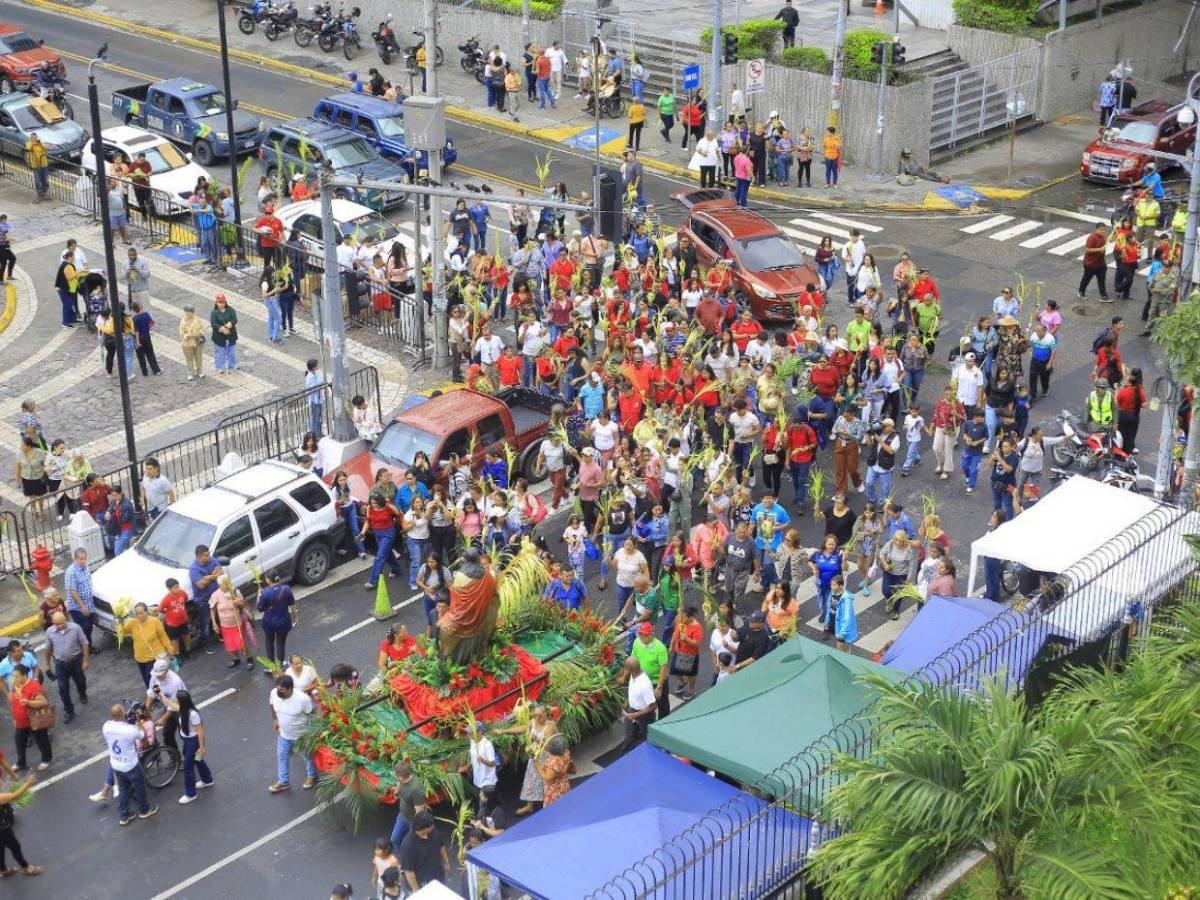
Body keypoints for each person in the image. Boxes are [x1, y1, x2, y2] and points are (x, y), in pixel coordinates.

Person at [104, 703, 158, 826]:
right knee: (139, 787)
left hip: (116, 764)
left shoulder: (106, 726)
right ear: (123, 714)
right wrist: (138, 722)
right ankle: (145, 810)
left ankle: (124, 815)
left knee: (123, 789)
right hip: (131, 765)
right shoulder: (130, 730)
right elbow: (144, 740)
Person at [268, 674, 318, 793]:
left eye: (282, 690)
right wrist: (275, 719)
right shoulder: (274, 693)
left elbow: (312, 714)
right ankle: (283, 781)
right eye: (278, 688)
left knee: (307, 757)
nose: (278, 692)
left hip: (301, 736)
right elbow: (271, 705)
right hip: (284, 734)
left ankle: (312, 775)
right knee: (282, 756)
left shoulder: (302, 699)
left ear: (290, 688)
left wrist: (312, 734)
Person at [43, 611, 87, 725]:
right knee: (63, 689)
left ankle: (82, 694)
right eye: (57, 624)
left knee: (81, 682)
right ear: (53, 623)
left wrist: (86, 660)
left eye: (62, 623)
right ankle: (69, 711)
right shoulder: (49, 632)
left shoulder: (76, 628)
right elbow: (48, 649)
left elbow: (84, 643)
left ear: (66, 619)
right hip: (60, 665)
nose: (60, 626)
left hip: (76, 662)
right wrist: (47, 665)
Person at [175, 689, 214, 805]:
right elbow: (170, 703)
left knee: (188, 767)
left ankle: (190, 794)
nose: (175, 700)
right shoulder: (182, 709)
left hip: (193, 742)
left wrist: (201, 746)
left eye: (177, 699)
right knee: (198, 760)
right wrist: (159, 694)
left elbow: (200, 731)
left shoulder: (193, 714)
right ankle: (207, 779)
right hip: (187, 741)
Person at [9, 665, 51, 772]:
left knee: (41, 740)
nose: (14, 679)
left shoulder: (34, 686)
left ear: (24, 675)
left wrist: (28, 703)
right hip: (21, 722)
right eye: (14, 676)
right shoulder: (15, 684)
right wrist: (15, 718)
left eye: (17, 676)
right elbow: (14, 702)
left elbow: (43, 702)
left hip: (34, 721)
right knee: (19, 741)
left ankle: (46, 759)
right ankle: (21, 762)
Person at [399, 809, 450, 892]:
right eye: (430, 826)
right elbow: (408, 871)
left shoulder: (432, 832)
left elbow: (441, 845)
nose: (433, 827)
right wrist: (416, 890)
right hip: (423, 883)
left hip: (438, 875)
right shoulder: (408, 845)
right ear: (423, 828)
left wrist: (446, 862)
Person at [0, 770, 40, 877]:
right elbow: (14, 796)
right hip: (3, 830)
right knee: (15, 846)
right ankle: (26, 867)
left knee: (1, 848)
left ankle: (2, 870)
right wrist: (27, 784)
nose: (1, 782)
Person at [125, 603, 172, 688]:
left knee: (151, 677)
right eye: (137, 614)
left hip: (154, 657)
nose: (139, 616)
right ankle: (151, 693)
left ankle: (157, 694)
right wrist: (120, 620)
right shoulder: (132, 623)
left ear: (146, 612)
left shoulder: (154, 621)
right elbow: (122, 631)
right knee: (146, 679)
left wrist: (170, 650)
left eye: (141, 613)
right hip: (140, 658)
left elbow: (163, 636)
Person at [257, 572, 297, 667]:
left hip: (269, 623)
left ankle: (271, 665)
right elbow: (293, 607)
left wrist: (259, 596)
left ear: (267, 580)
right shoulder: (286, 589)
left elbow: (259, 609)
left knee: (269, 641)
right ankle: (279, 665)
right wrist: (294, 619)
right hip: (283, 622)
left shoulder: (265, 593)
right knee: (281, 643)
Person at [389, 760, 428, 854]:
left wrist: (417, 828)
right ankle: (403, 855)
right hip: (402, 816)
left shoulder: (416, 790)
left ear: (401, 777)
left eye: (396, 775)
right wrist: (397, 792)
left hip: (413, 821)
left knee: (416, 844)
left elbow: (419, 813)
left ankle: (416, 860)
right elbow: (401, 786)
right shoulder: (403, 781)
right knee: (395, 839)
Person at [619, 657, 657, 752]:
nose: (624, 669)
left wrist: (636, 715)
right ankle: (628, 742)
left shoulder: (645, 685)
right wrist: (628, 701)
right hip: (632, 709)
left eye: (625, 667)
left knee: (648, 737)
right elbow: (633, 690)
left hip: (645, 715)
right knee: (628, 728)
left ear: (630, 670)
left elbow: (653, 706)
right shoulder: (634, 675)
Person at [533, 734, 573, 807]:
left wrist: (537, 766)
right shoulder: (566, 752)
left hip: (554, 791)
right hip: (563, 785)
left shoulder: (553, 763)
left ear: (552, 750)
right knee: (566, 805)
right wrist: (538, 741)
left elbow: (547, 778)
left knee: (555, 810)